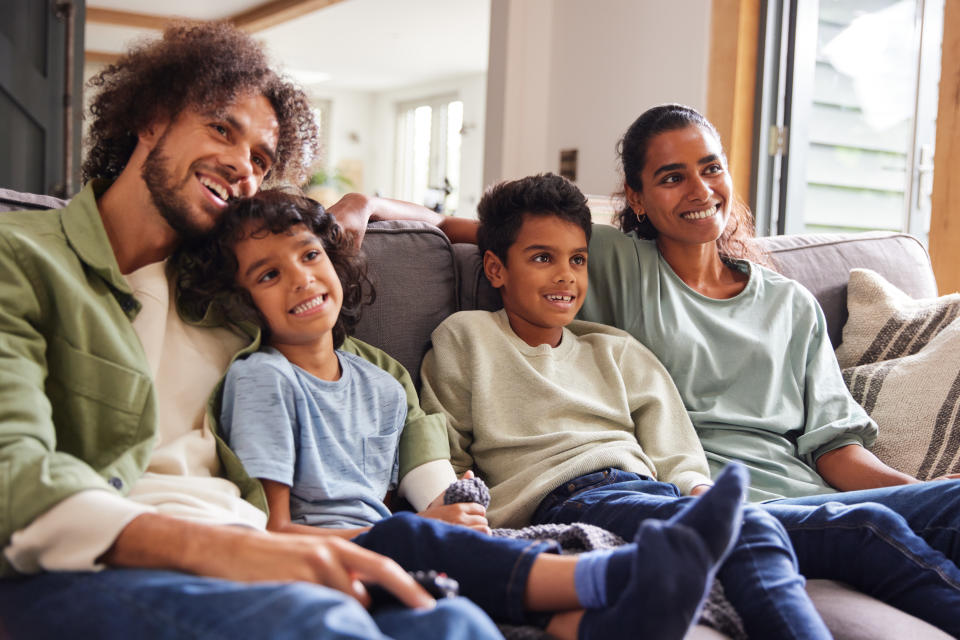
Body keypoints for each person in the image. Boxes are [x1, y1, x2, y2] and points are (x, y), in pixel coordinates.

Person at [0, 21, 500, 639]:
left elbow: (365, 363)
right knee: (319, 622)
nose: (241, 166)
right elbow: (13, 470)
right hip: (94, 560)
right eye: (220, 128)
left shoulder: (233, 290)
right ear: (153, 116)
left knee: (456, 623)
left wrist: (360, 204)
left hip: (248, 546)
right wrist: (243, 552)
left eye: (261, 160)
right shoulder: (20, 259)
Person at [173, 188, 753, 640]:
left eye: (309, 256)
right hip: (322, 550)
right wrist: (412, 530)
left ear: (335, 260)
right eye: (269, 274)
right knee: (428, 541)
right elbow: (274, 529)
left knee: (474, 583)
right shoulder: (263, 378)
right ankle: (625, 574)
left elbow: (420, 469)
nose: (300, 278)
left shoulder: (383, 382)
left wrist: (446, 505)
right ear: (244, 300)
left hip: (395, 540)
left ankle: (607, 620)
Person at [416, 172, 960, 638]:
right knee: (775, 530)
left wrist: (698, 494)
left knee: (862, 524)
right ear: (494, 270)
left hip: (643, 491)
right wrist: (459, 503)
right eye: (542, 258)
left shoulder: (615, 349)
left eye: (578, 260)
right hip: (564, 502)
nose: (565, 275)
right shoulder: (466, 337)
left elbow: (674, 449)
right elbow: (445, 445)